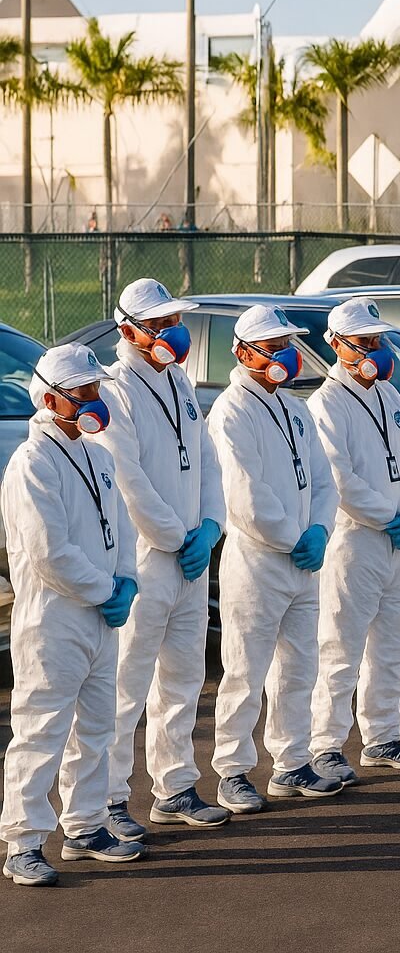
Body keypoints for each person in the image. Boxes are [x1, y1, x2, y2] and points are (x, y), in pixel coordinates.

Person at [58, 280, 229, 842]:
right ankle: (104, 801)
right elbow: (126, 478)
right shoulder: (118, 389)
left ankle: (174, 786)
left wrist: (209, 524)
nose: (170, 333)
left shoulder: (178, 379)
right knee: (123, 689)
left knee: (182, 682)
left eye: (172, 321)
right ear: (127, 329)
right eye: (157, 325)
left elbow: (205, 459)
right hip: (144, 558)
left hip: (188, 556)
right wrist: (177, 536)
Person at [2, 345, 142, 886]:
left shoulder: (97, 455)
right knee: (40, 729)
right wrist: (105, 586)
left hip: (100, 617)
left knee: (97, 727)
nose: (92, 398)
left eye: (94, 388)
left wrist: (126, 579)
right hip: (53, 619)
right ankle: (24, 841)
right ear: (47, 397)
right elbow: (47, 551)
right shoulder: (31, 463)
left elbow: (122, 528)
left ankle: (85, 825)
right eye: (80, 390)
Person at [207, 305, 341, 812]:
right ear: (242, 352)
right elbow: (245, 496)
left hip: (304, 561)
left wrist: (320, 530)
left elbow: (324, 481)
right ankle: (233, 771)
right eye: (272, 346)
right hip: (259, 561)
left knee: (300, 666)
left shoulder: (294, 407)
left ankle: (291, 762)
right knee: (244, 671)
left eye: (286, 344)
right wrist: (293, 538)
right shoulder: (231, 411)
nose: (283, 355)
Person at [308, 299, 400, 782]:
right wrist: (391, 515)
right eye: (366, 343)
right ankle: (326, 744)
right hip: (355, 542)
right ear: (338, 345)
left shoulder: (390, 397)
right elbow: (339, 480)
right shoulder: (327, 404)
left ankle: (382, 736)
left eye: (379, 341)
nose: (377, 351)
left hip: (398, 542)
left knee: (389, 645)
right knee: (341, 647)